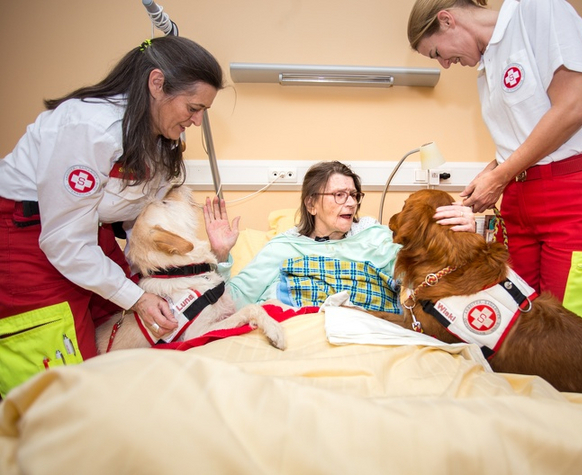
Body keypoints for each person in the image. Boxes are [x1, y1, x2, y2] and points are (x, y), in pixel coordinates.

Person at [0, 36, 224, 395]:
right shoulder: (88, 127)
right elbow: (64, 240)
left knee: (125, 341)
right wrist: (136, 296)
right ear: (156, 83)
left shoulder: (158, 139)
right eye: (193, 107)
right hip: (29, 237)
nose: (197, 121)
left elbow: (133, 213)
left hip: (91, 235)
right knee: (70, 381)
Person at [407, 0, 582, 334]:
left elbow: (574, 106)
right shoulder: (488, 65)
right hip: (520, 202)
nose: (445, 64)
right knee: (518, 332)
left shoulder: (538, 11)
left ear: (447, 19)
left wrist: (501, 174)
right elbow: (526, 139)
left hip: (576, 197)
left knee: (576, 339)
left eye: (437, 52)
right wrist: (491, 171)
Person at [204, 161, 475, 313]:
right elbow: (233, 301)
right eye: (339, 195)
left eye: (354, 195)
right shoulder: (281, 248)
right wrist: (219, 256)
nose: (351, 203)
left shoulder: (376, 238)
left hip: (372, 334)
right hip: (303, 335)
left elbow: (427, 277)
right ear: (311, 204)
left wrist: (459, 234)